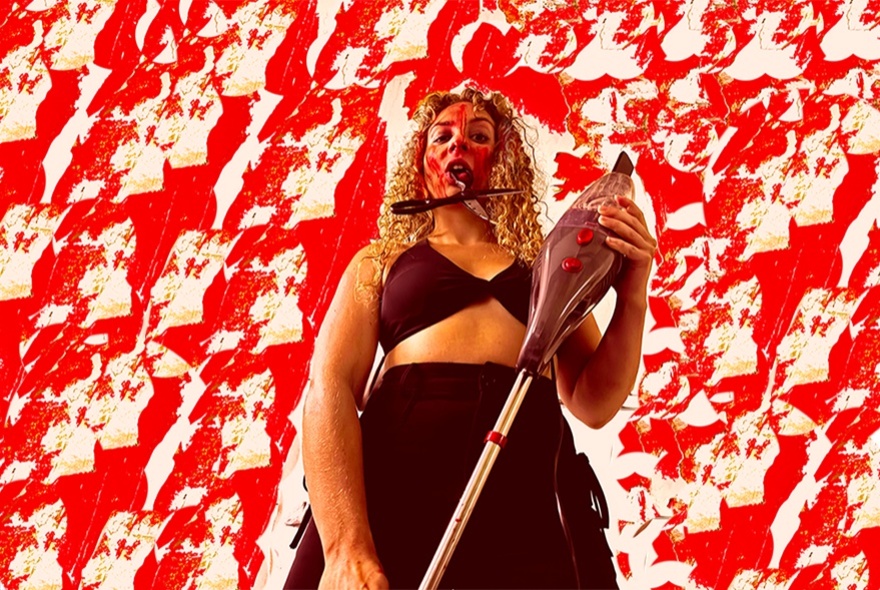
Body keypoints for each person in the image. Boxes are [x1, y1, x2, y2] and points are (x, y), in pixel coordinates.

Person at [284, 88, 656, 589]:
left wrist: (633, 290)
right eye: (443, 136)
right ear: (419, 168)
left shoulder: (549, 266)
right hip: (396, 484)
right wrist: (346, 544)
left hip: (525, 491)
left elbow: (592, 402)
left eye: (479, 136)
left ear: (504, 164)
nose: (459, 143)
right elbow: (327, 389)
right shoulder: (379, 263)